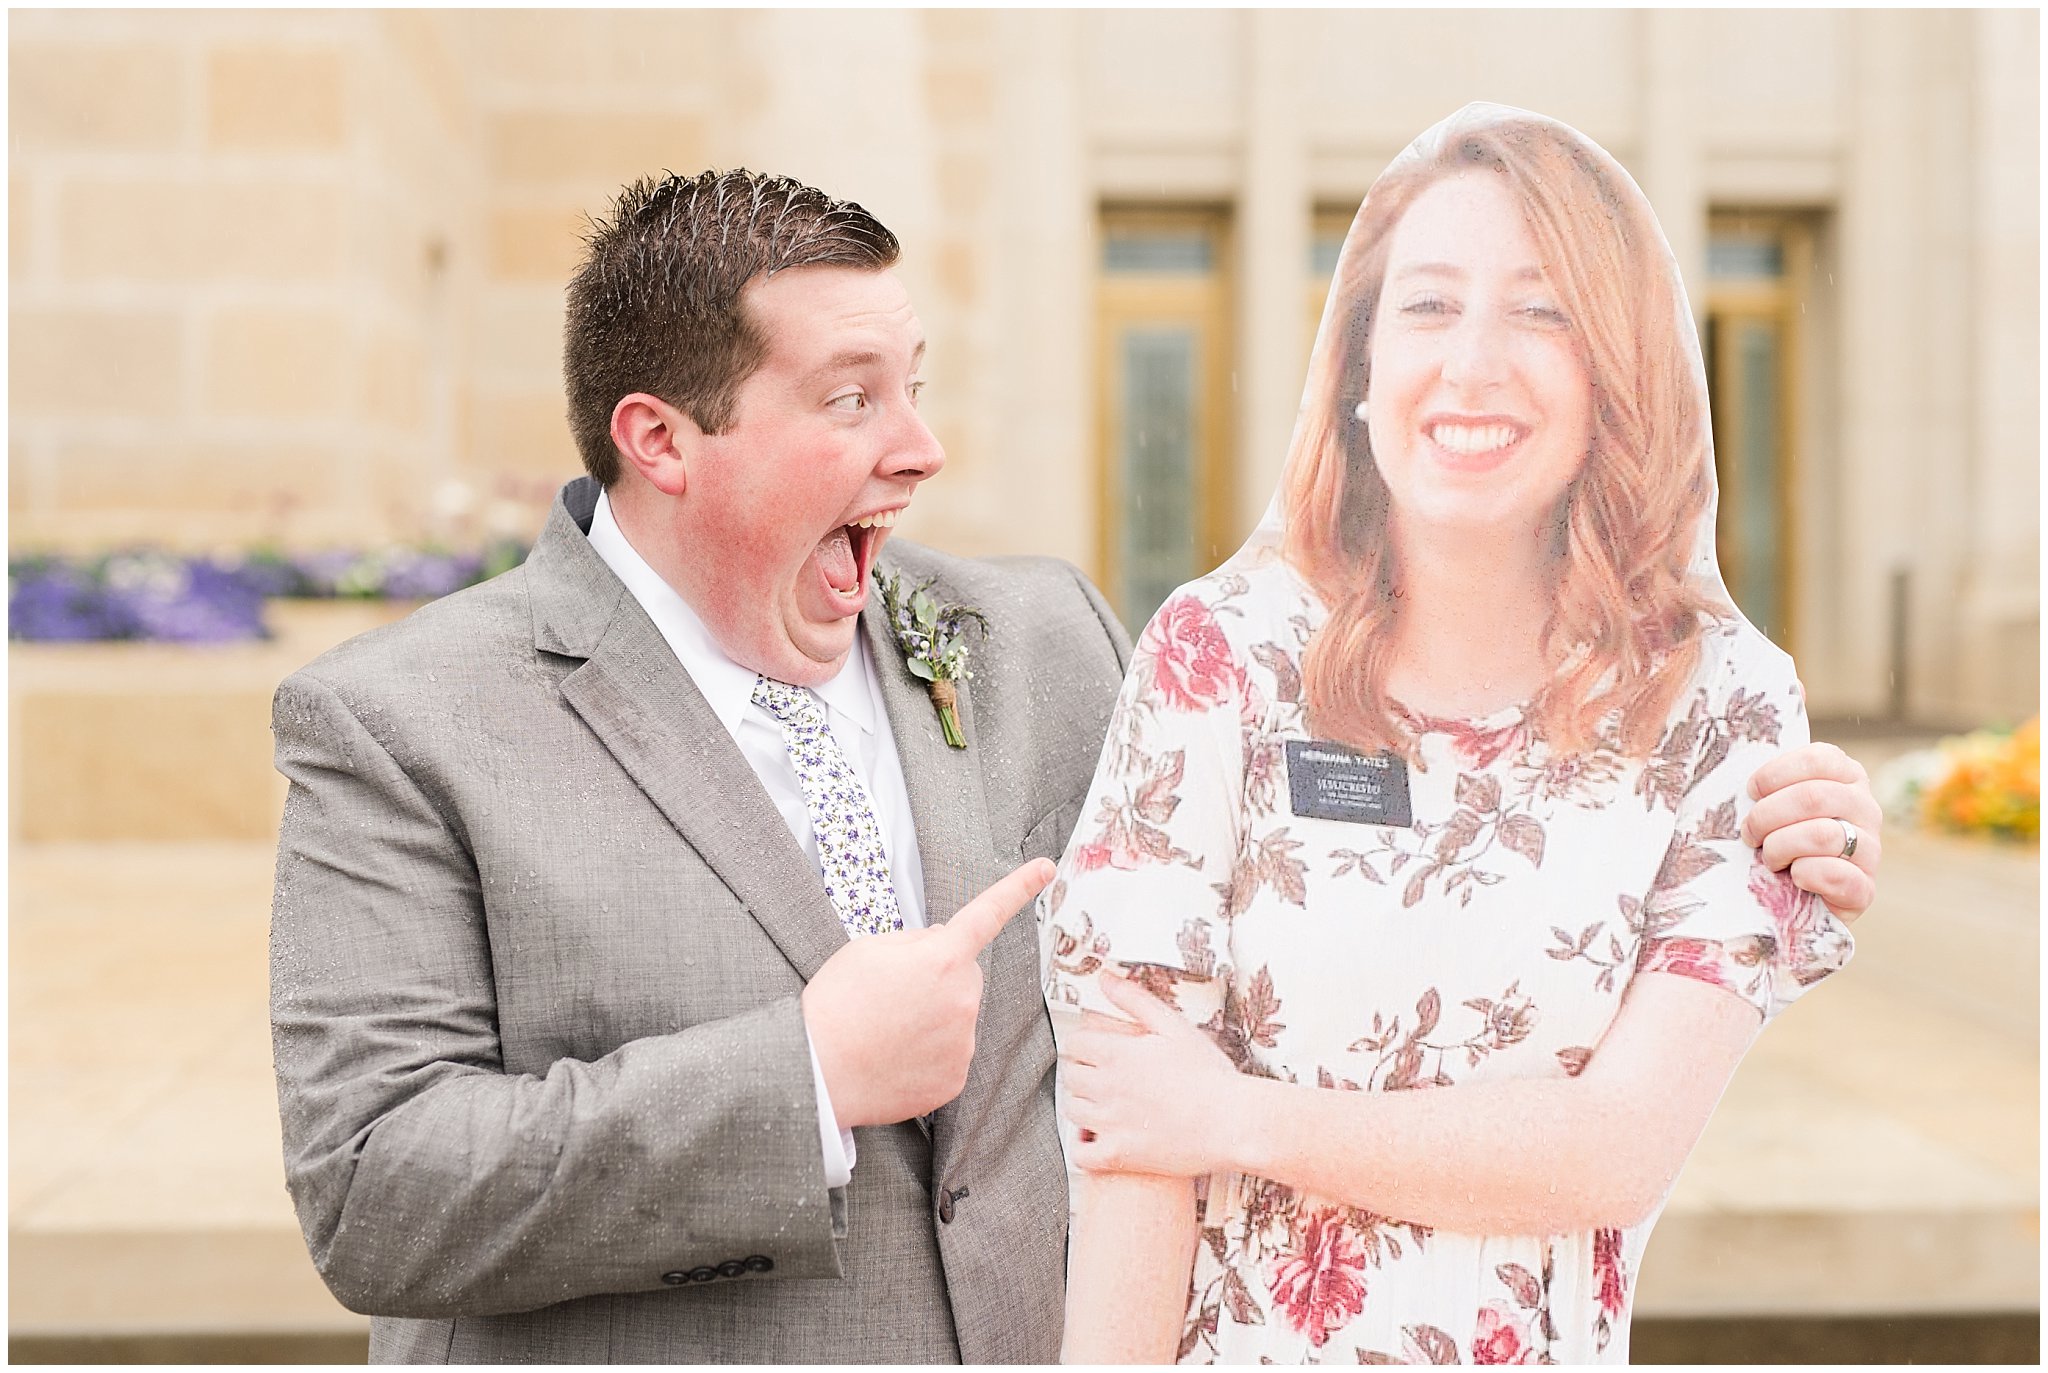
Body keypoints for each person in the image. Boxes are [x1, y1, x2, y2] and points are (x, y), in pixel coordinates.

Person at [270, 164, 1879, 1363]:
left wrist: (1763, 835)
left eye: (917, 383)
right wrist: (805, 1076)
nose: (923, 447)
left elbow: (1395, 852)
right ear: (662, 438)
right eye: (851, 397)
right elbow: (376, 1193)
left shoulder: (1047, 639)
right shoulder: (406, 725)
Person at [1042, 105, 1871, 1365]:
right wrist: (1178, 1126)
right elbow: (1131, 1144)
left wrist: (1235, 1116)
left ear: (1616, 369)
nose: (1472, 364)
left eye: (1539, 312)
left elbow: (1613, 1148)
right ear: (1359, 366)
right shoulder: (1220, 654)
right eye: (1427, 306)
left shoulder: (1722, 704)